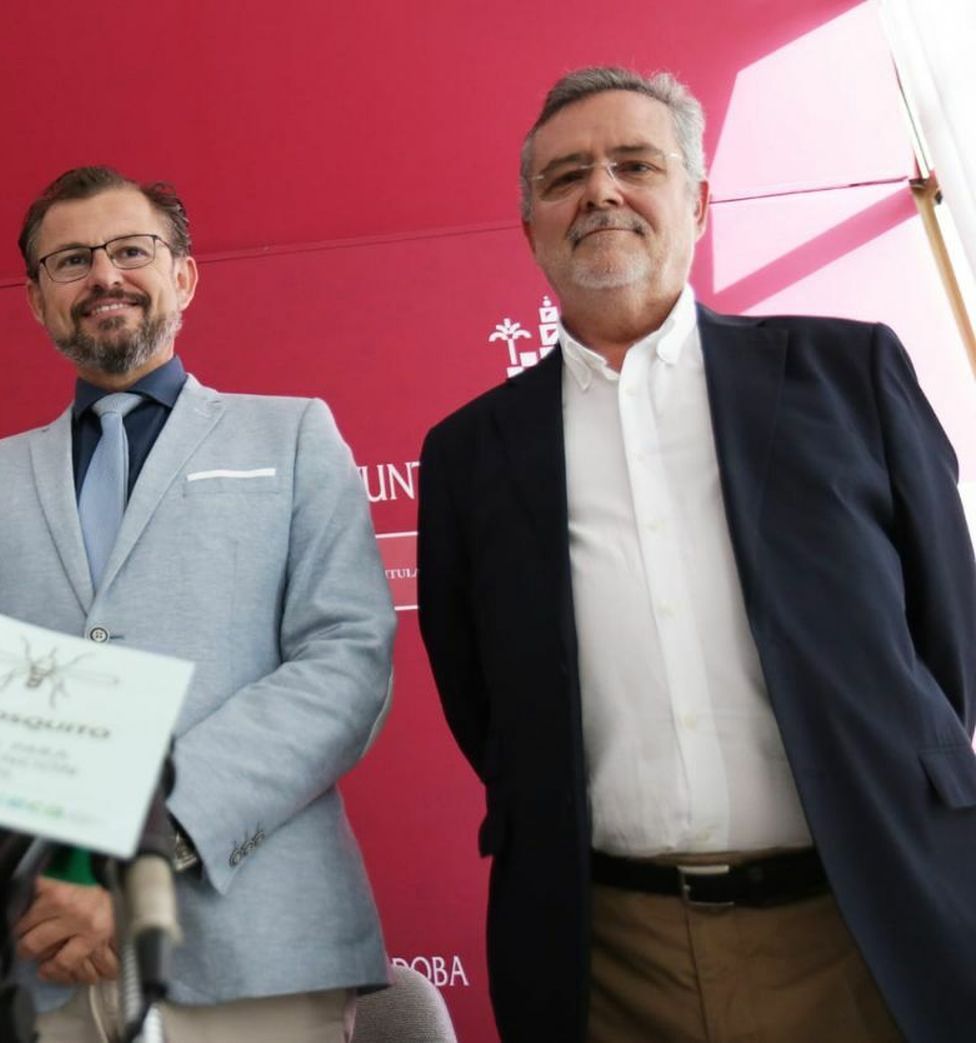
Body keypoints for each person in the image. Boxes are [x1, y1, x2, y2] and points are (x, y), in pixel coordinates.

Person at [417, 66, 976, 1043]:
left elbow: (947, 638)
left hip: (867, 929)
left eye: (635, 165)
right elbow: (483, 702)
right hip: (613, 965)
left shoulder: (848, 373)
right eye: (565, 177)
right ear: (530, 228)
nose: (600, 191)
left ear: (699, 202)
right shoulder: (469, 452)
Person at [0, 166, 395, 1041]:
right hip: (14, 952)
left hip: (251, 949)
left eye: (132, 250)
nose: (104, 276)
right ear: (36, 299)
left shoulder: (293, 436)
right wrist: (35, 876)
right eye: (71, 260)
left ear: (184, 275)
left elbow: (346, 662)